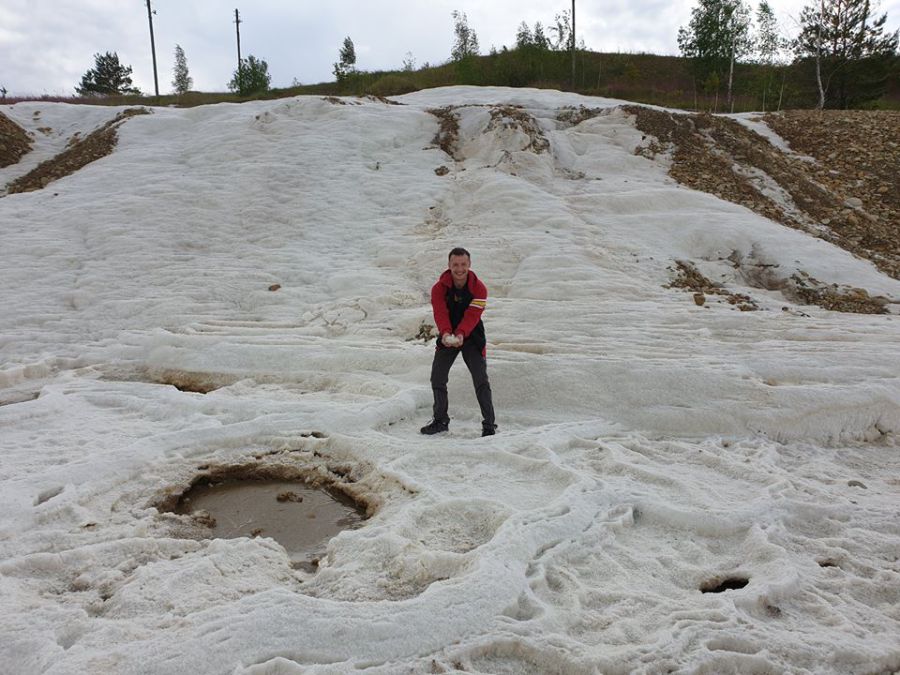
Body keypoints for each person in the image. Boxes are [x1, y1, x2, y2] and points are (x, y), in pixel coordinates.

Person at [420, 247, 497, 437]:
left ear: (469, 265)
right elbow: (440, 312)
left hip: (472, 337)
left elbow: (473, 315)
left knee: (481, 380)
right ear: (449, 265)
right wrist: (446, 334)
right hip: (447, 336)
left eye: (463, 264)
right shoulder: (439, 288)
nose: (459, 268)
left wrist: (461, 334)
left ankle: (489, 425)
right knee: (437, 377)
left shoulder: (479, 288)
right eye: (455, 264)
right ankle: (440, 421)